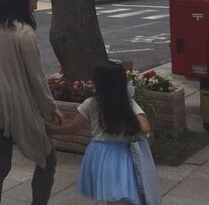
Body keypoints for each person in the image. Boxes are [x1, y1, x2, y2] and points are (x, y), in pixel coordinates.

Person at [0, 0, 63, 205]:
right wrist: (50, 107)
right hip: (17, 105)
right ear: (23, 0)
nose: (35, 5)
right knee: (46, 158)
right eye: (34, 0)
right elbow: (36, 77)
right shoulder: (24, 33)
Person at [48, 60, 154, 205]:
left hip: (101, 154)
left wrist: (51, 129)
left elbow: (73, 128)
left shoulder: (91, 103)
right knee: (123, 193)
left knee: (112, 195)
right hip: (123, 154)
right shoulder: (128, 104)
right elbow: (145, 128)